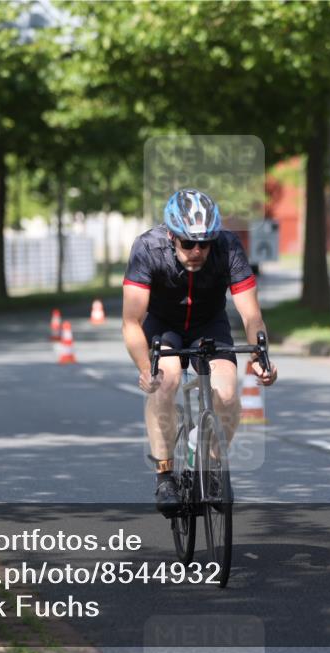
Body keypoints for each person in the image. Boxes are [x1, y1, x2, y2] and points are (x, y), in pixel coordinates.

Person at [122, 189, 277, 516]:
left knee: (228, 393)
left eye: (204, 243)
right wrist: (145, 369)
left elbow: (251, 315)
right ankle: (164, 474)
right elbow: (132, 321)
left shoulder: (228, 246)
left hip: (209, 324)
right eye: (187, 243)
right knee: (167, 381)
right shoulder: (148, 249)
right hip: (164, 326)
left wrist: (261, 358)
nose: (196, 251)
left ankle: (210, 464)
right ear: (170, 235)